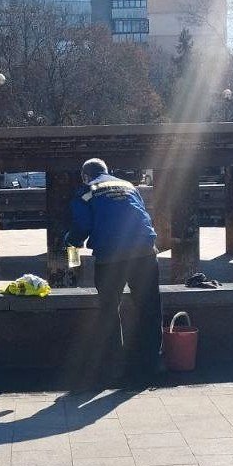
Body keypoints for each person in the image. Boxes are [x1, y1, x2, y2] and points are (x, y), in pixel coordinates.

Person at [66, 158, 163, 384]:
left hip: (111, 257)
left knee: (109, 310)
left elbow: (81, 226)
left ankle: (114, 368)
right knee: (149, 309)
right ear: (107, 171)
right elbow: (140, 214)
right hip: (145, 252)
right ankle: (151, 366)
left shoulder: (86, 191)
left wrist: (71, 245)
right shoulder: (129, 186)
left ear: (85, 176)